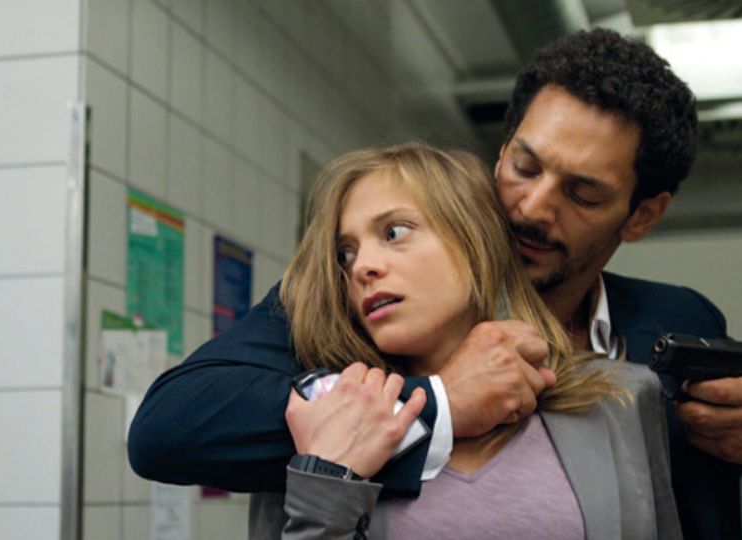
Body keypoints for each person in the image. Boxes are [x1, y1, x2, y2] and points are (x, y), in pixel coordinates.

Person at [128, 29, 742, 539]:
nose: (532, 206)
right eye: (524, 165)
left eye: (582, 192)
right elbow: (169, 430)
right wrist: (438, 404)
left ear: (642, 215)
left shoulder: (670, 323)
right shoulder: (355, 309)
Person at [249, 142, 680, 539]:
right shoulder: (319, 418)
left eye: (394, 233)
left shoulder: (622, 399)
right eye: (346, 254)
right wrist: (328, 481)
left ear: (476, 242)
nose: (362, 267)